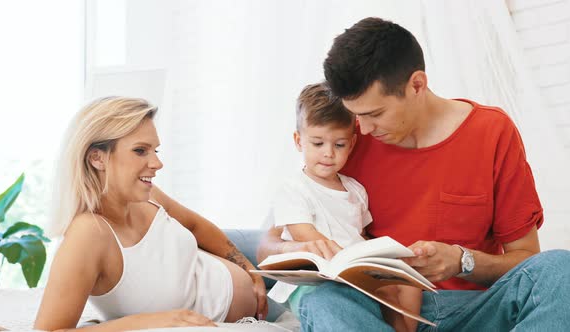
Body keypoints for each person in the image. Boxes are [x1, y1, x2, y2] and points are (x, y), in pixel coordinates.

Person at [257, 17, 570, 331]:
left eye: (374, 114)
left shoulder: (492, 133)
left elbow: (526, 260)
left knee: (560, 268)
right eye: (356, 116)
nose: (362, 129)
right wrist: (300, 250)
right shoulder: (342, 142)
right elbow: (268, 242)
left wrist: (462, 261)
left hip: (474, 309)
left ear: (416, 85)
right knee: (322, 301)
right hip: (383, 311)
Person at [34, 97, 267, 331]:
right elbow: (49, 330)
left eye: (155, 150)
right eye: (140, 151)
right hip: (250, 308)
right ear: (97, 158)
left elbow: (195, 227)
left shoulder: (147, 195)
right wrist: (152, 321)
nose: (157, 163)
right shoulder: (88, 234)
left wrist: (249, 269)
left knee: (293, 246)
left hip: (244, 270)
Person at [268, 82, 421, 332]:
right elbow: (304, 235)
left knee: (406, 282)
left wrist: (377, 259)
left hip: (353, 271)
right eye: (318, 144)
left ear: (351, 144)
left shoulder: (355, 190)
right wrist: (342, 259)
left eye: (338, 145)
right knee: (335, 298)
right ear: (299, 141)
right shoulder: (293, 188)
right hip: (316, 277)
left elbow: (359, 234)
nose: (328, 153)